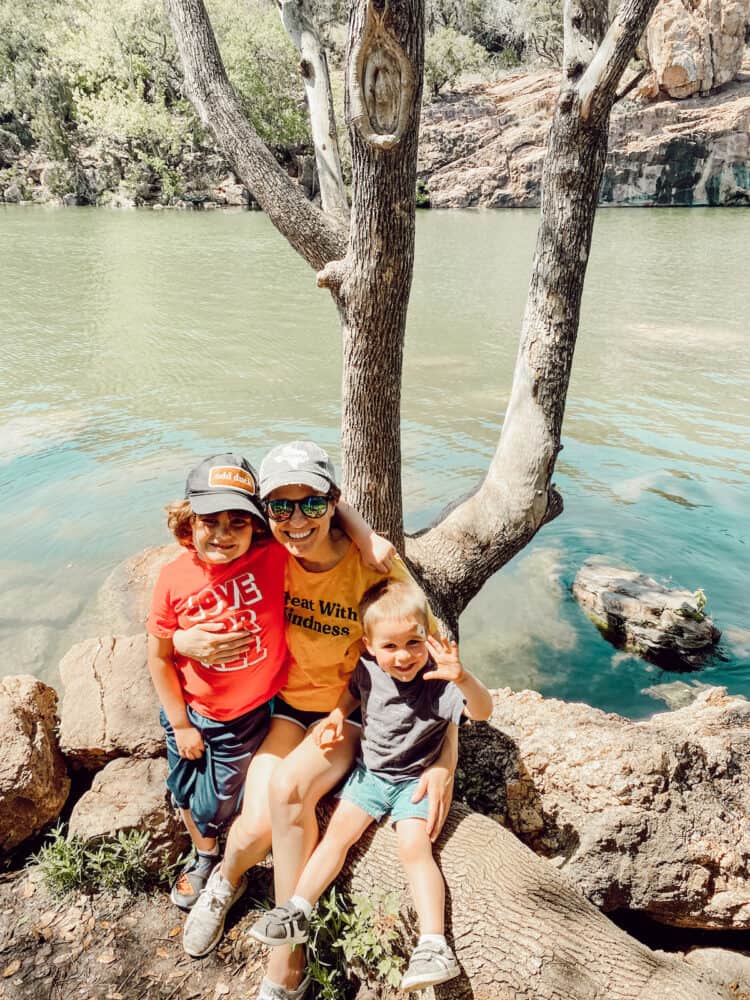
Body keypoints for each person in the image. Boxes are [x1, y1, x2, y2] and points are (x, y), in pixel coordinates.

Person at [174, 442, 458, 1000]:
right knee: (256, 824)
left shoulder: (374, 567)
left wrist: (446, 760)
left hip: (352, 715)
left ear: (333, 503)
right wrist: (182, 639)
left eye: (311, 504)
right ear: (265, 514)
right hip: (287, 706)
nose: (295, 520)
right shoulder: (267, 555)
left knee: (286, 789)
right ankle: (226, 881)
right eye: (280, 507)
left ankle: (287, 964)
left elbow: (440, 662)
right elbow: (188, 584)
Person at [249, 578, 492, 993]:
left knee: (414, 848)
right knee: (337, 838)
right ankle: (297, 908)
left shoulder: (438, 684)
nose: (403, 657)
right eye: (390, 647)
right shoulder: (368, 670)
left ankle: (433, 943)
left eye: (413, 643)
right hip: (370, 774)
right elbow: (353, 694)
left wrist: (463, 677)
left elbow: (482, 711)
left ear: (427, 638)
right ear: (369, 646)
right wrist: (338, 716)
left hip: (413, 781)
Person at [147, 453, 288, 913]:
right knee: (182, 787)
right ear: (189, 524)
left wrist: (370, 541)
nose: (223, 535)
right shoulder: (173, 578)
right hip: (186, 710)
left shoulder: (274, 558)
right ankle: (204, 854)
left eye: (238, 523)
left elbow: (330, 521)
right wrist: (180, 725)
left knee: (219, 800)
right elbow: (160, 657)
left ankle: (215, 841)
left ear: (258, 528)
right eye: (211, 521)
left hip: (244, 717)